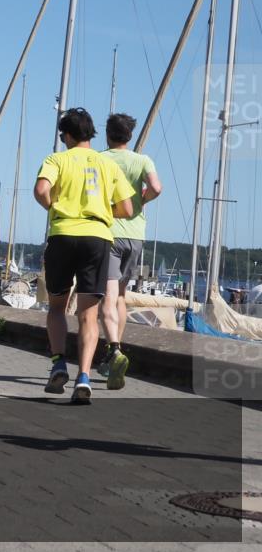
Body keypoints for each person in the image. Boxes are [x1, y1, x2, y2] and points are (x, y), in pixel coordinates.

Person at [34, 108, 134, 404]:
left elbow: (41, 190)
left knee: (56, 307)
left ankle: (58, 364)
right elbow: (127, 209)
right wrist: (103, 211)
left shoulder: (56, 159)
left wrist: (55, 207)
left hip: (63, 234)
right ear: (90, 133)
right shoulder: (108, 165)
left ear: (66, 135)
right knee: (88, 315)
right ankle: (85, 377)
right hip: (97, 238)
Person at [97, 113, 162, 389]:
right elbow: (156, 188)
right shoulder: (142, 160)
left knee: (107, 298)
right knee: (121, 295)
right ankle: (117, 348)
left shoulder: (100, 159)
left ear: (108, 134)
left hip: (109, 232)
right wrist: (140, 202)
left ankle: (114, 351)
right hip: (136, 236)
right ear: (130, 136)